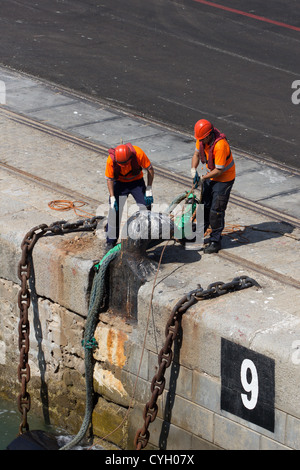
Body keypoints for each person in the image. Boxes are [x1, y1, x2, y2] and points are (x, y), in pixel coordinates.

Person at [191, 119, 235, 254]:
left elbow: (220, 170)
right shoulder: (202, 139)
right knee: (204, 206)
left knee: (216, 211)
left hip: (224, 179)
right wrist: (193, 169)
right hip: (211, 176)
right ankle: (198, 235)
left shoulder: (220, 145)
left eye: (203, 139)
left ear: (209, 135)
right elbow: (197, 154)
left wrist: (203, 178)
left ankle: (215, 241)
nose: (201, 142)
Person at [105, 142, 154, 250]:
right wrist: (113, 198)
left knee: (146, 207)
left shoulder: (138, 153)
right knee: (114, 211)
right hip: (120, 184)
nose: (123, 167)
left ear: (130, 158)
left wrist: (149, 189)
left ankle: (145, 238)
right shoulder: (111, 160)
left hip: (136, 183)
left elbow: (150, 169)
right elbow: (109, 179)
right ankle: (110, 242)